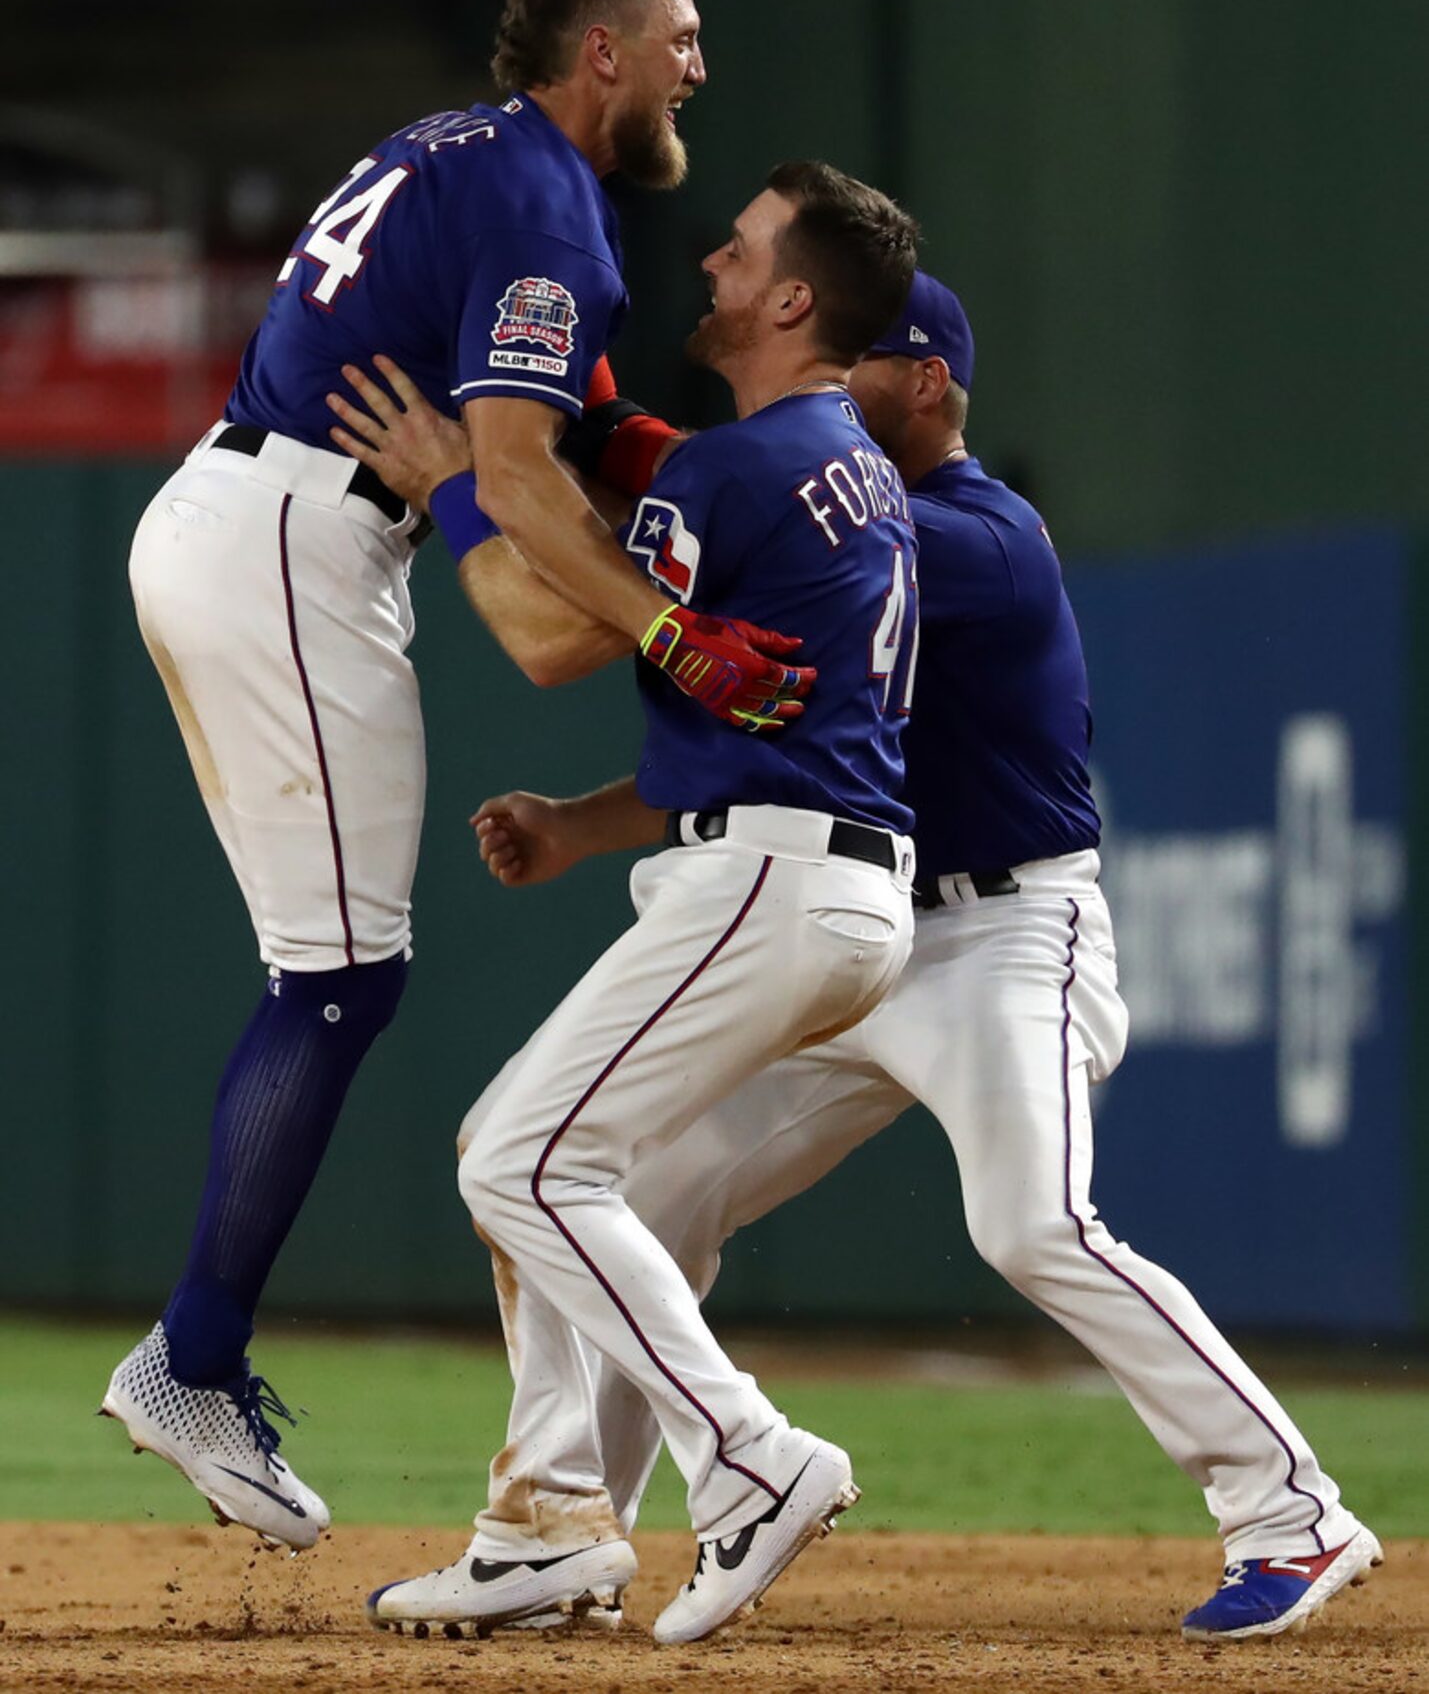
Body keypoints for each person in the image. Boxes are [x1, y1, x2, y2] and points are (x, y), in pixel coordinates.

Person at [349, 270, 1380, 1646]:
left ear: (930, 381)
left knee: (1031, 1223)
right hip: (856, 925)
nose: (836, 388)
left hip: (1007, 931)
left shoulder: (970, 531)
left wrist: (504, 470)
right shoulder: (843, 503)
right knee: (633, 1193)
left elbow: (648, 582)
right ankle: (559, 1530)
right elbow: (777, 716)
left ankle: (1289, 1508)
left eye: (867, 365)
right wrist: (584, 823)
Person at [102, 0, 811, 1555]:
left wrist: (624, 467)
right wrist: (669, 632)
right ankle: (192, 1360)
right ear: (602, 56)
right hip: (292, 542)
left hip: (256, 522)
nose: (699, 59)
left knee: (340, 971)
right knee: (341, 977)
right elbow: (508, 452)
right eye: (678, 34)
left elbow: (561, 425)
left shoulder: (468, 150)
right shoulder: (548, 201)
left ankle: (196, 1355)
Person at [334, 161, 922, 1644]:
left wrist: (454, 485)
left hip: (768, 880)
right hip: (828, 878)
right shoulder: (840, 462)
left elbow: (547, 639)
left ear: (794, 299)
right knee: (571, 1170)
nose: (714, 263)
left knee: (517, 1165)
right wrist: (583, 822)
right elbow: (724, 674)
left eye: (742, 253)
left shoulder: (737, 469)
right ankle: (541, 1517)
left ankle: (750, 1455)